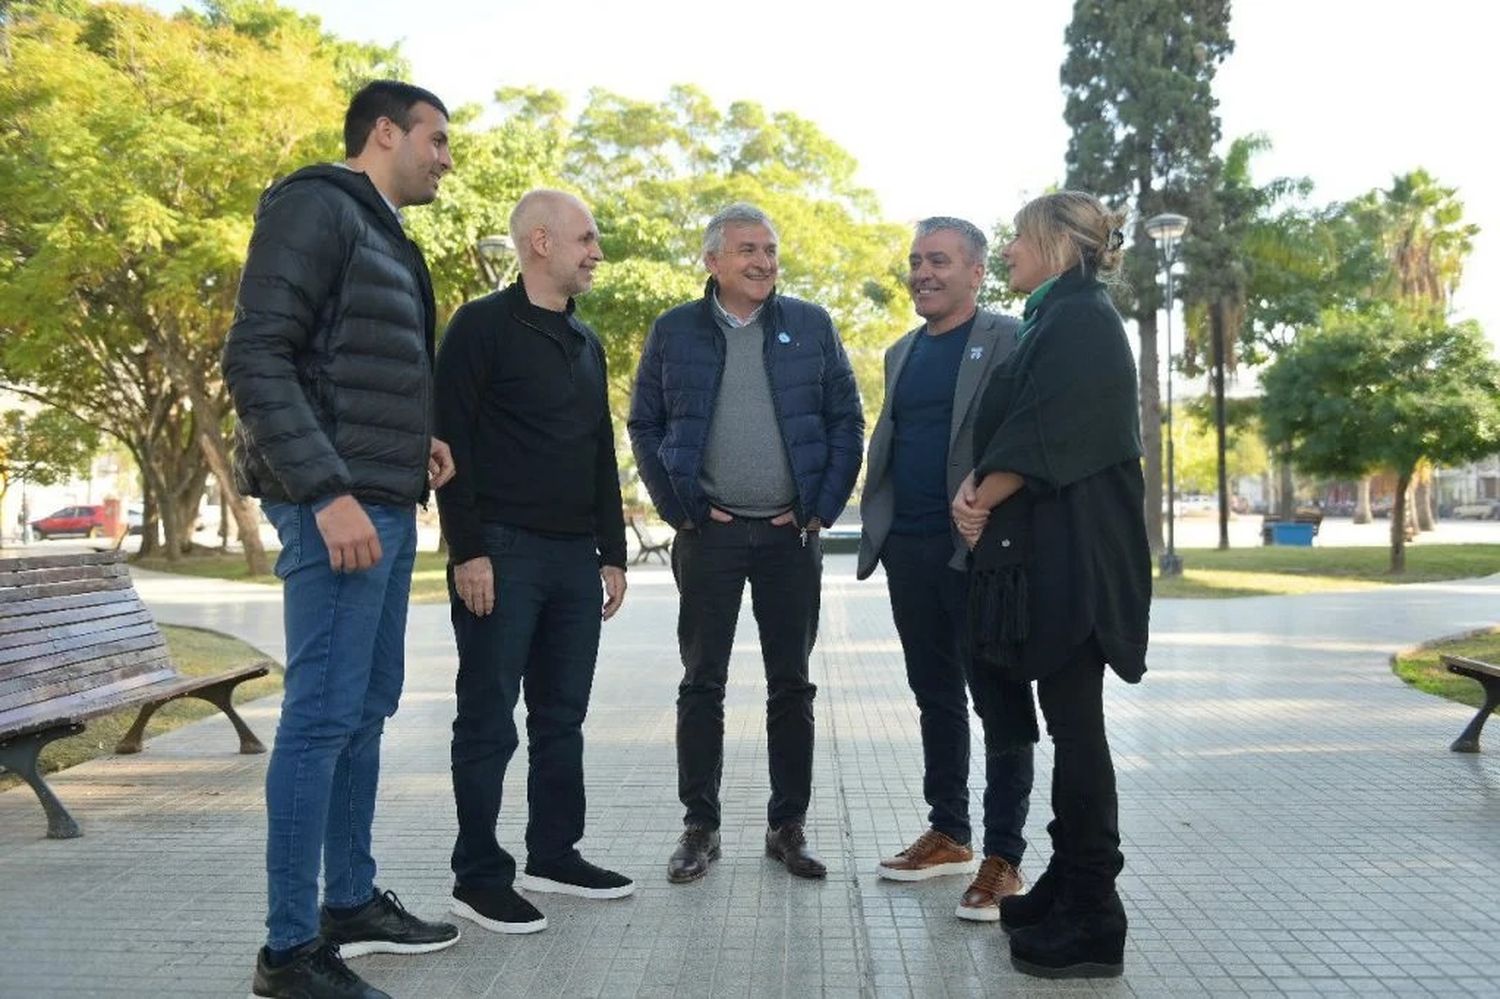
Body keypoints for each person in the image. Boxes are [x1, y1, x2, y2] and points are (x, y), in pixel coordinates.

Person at [224, 80, 460, 999]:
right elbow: (258, 355)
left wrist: (416, 444)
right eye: (437, 139)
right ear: (385, 131)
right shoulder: (317, 206)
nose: (446, 156)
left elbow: (352, 368)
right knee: (322, 716)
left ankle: (350, 900)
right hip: (339, 511)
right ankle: (288, 952)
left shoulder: (383, 232)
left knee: (367, 706)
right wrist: (326, 491)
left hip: (384, 500)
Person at [628, 202, 863, 883]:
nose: (763, 261)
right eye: (748, 250)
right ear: (713, 261)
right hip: (712, 536)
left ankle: (787, 824)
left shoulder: (811, 325)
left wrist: (820, 507)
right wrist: (681, 508)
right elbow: (644, 423)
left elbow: (847, 418)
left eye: (769, 249)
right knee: (703, 683)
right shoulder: (673, 331)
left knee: (792, 684)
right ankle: (699, 827)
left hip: (791, 538)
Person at [951, 191, 1150, 979]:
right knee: (1071, 724)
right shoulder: (1058, 315)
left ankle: (1096, 911)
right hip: (1059, 550)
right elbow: (1026, 421)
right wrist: (982, 490)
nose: (1007, 253)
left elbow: (1048, 432)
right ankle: (1070, 883)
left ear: (1059, 246)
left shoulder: (1082, 319)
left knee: (1077, 727)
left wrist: (981, 494)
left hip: (1083, 557)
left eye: (1018, 240)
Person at [436, 190, 633, 937]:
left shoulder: (586, 343)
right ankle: (478, 875)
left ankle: (555, 852)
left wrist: (611, 552)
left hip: (570, 560)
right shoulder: (480, 327)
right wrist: (470, 550)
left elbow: (599, 456)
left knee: (562, 717)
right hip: (503, 553)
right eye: (586, 238)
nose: (596, 252)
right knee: (488, 719)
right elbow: (447, 445)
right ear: (541, 242)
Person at [856, 218, 1034, 922]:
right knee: (934, 692)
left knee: (1000, 700)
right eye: (915, 261)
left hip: (985, 553)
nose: (923, 272)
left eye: (939, 261)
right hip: (912, 547)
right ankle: (951, 831)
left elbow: (1025, 433)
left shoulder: (1008, 337)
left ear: (975, 270)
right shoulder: (901, 351)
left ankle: (1004, 854)